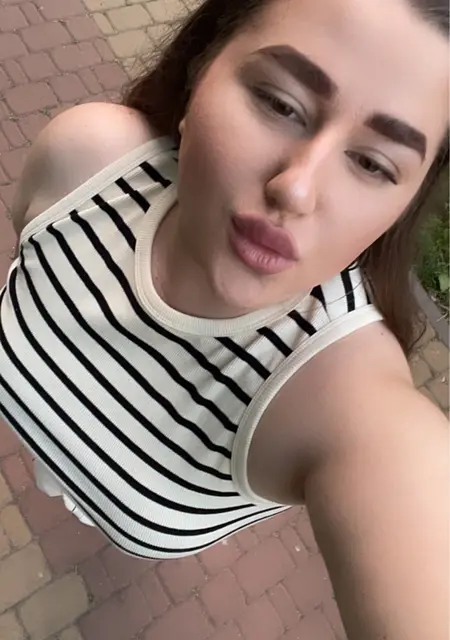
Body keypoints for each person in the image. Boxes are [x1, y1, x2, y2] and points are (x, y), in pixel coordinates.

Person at [1, 0, 448, 637]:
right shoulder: (87, 160)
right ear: (200, 72)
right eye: (279, 103)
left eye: (373, 163)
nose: (296, 189)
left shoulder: (340, 403)